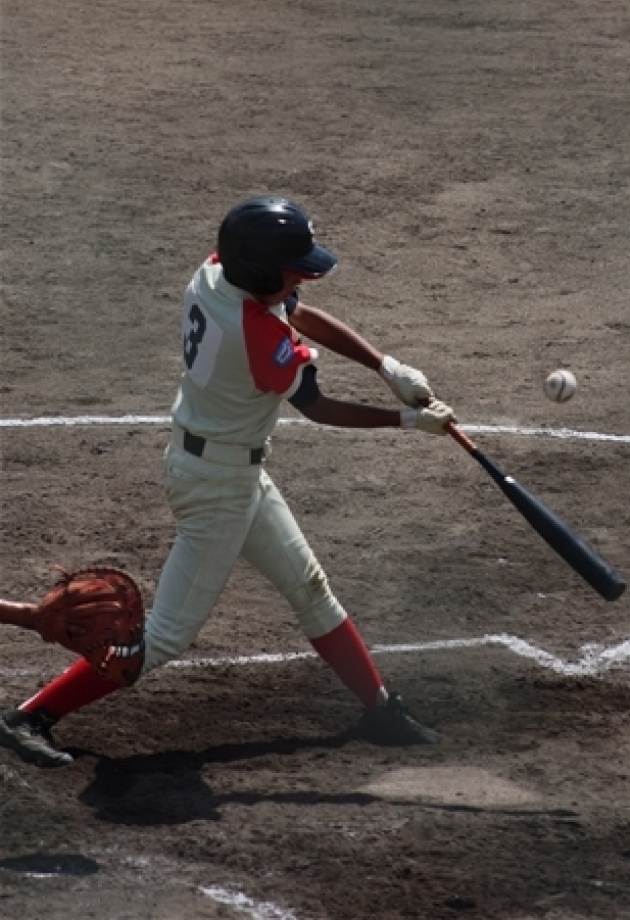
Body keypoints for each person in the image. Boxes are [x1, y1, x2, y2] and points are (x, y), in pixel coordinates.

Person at [0, 196, 456, 768]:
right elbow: (316, 406)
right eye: (291, 269)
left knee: (310, 588)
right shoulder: (257, 337)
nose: (299, 278)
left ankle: (381, 710)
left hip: (226, 468)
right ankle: (28, 717)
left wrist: (386, 367)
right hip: (217, 487)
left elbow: (295, 310)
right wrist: (407, 420)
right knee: (164, 637)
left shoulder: (217, 273)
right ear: (261, 271)